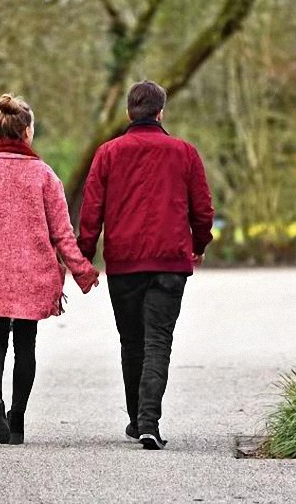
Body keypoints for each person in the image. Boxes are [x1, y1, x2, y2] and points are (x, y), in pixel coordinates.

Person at [0, 93, 99, 445]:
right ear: (26, 132)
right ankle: (16, 420)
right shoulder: (45, 176)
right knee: (25, 344)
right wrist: (83, 272)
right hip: (33, 274)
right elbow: (62, 234)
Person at [77, 80, 214, 450]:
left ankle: (138, 420)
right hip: (170, 261)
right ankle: (149, 420)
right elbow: (203, 209)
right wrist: (199, 245)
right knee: (158, 341)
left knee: (132, 341)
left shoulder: (107, 153)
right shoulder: (184, 152)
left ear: (129, 113)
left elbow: (91, 211)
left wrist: (83, 258)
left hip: (124, 263)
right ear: (160, 112)